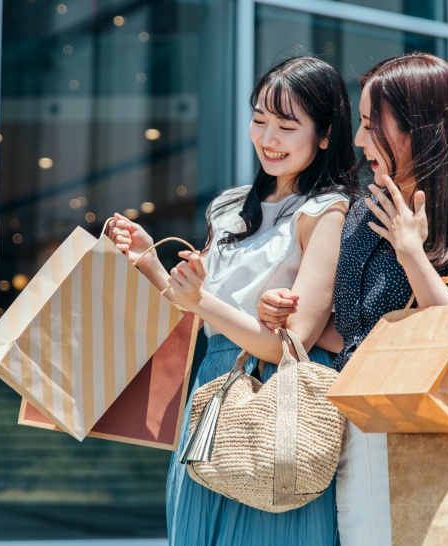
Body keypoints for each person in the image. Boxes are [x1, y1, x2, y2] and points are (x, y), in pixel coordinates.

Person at [257, 52, 448, 545]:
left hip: (438, 441)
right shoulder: (363, 212)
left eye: (370, 125)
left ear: (420, 129)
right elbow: (354, 335)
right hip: (359, 433)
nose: (358, 141)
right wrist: (281, 311)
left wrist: (411, 253)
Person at [107, 56, 359, 545]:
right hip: (212, 391)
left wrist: (200, 301)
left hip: (279, 399)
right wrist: (150, 261)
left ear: (325, 135)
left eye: (287, 126)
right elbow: (197, 310)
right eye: (260, 120)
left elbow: (292, 342)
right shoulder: (229, 206)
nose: (268, 139)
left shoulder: (327, 210)